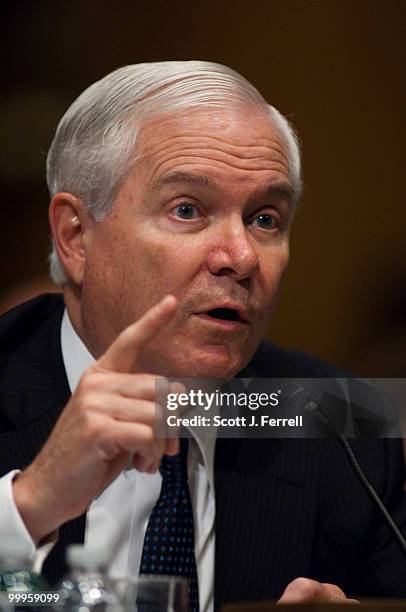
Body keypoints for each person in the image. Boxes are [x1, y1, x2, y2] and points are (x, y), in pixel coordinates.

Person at [0, 61, 405, 610]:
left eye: (265, 219)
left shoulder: (340, 422)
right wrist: (31, 504)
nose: (240, 258)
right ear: (76, 236)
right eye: (187, 210)